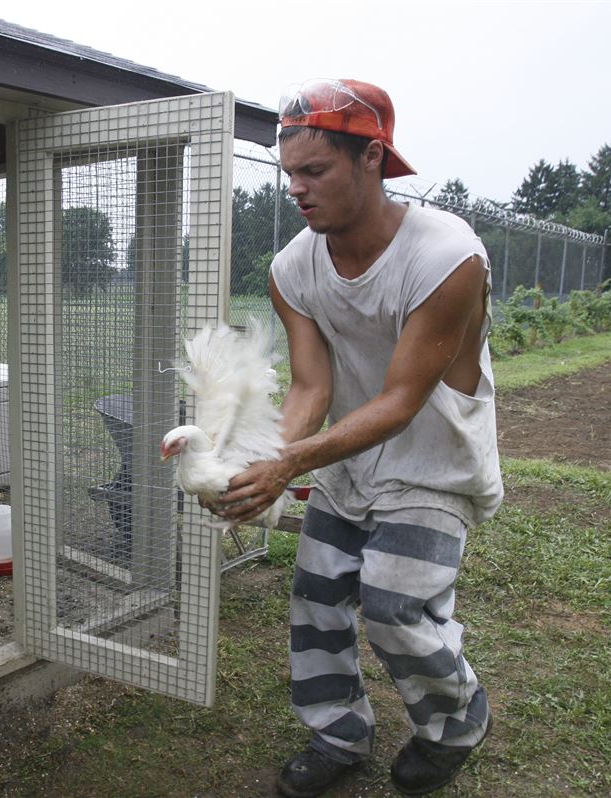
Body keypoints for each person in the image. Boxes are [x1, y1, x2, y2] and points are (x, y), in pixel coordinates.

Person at [213, 79, 502, 797]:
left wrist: (289, 463)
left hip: (433, 462)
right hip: (347, 458)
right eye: (290, 175)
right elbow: (313, 388)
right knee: (315, 598)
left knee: (394, 605)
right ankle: (338, 733)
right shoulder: (293, 268)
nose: (297, 190)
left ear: (372, 159)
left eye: (315, 171)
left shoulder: (446, 258)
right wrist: (258, 464)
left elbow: (403, 401)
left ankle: (456, 720)